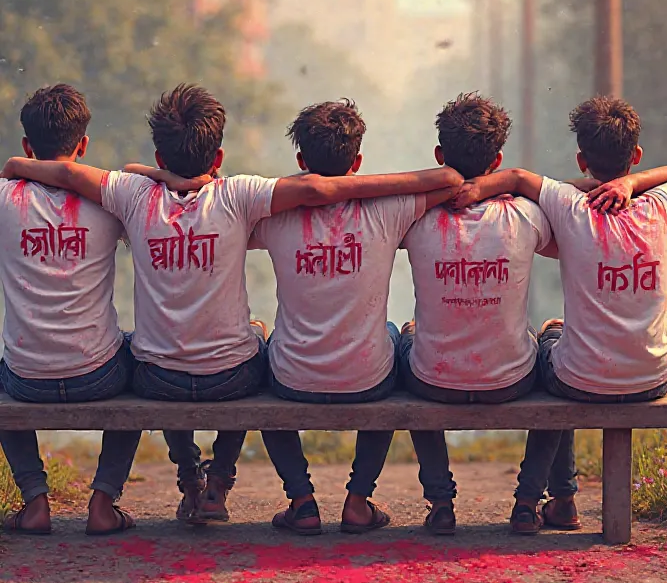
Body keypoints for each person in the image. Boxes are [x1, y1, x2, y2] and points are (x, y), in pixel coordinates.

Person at [2, 84, 464, 526]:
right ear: (218, 157)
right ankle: (225, 483)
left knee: (148, 351)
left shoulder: (131, 194)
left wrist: (18, 166)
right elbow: (425, 182)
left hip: (145, 378)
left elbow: (100, 171)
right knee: (266, 347)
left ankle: (173, 482)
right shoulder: (239, 194)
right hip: (230, 377)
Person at [452, 96, 667, 535]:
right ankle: (554, 502)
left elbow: (520, 179)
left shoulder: (567, 204)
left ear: (581, 159)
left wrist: (477, 191)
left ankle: (536, 500)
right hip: (655, 373)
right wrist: (632, 185)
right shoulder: (663, 207)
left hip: (581, 378)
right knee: (558, 347)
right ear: (635, 156)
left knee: (549, 348)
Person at [249, 100, 463, 535]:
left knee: (261, 355)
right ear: (358, 161)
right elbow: (451, 179)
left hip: (293, 379)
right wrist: (350, 186)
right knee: (388, 342)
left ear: (300, 160)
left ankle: (301, 499)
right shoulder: (387, 211)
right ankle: (358, 498)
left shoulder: (273, 214)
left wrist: (317, 189)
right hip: (367, 380)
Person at [398, 94, 556, 535]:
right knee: (558, 357)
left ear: (439, 156)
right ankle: (529, 501)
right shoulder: (527, 216)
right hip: (510, 381)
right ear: (498, 160)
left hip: (435, 383)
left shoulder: (412, 218)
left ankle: (441, 501)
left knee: (403, 346)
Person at [0, 85, 140, 536]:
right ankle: (103, 500)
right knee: (146, 359)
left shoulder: (4, 200)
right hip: (98, 374)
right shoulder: (111, 201)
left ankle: (34, 498)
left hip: (25, 379)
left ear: (27, 146)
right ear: (83, 145)